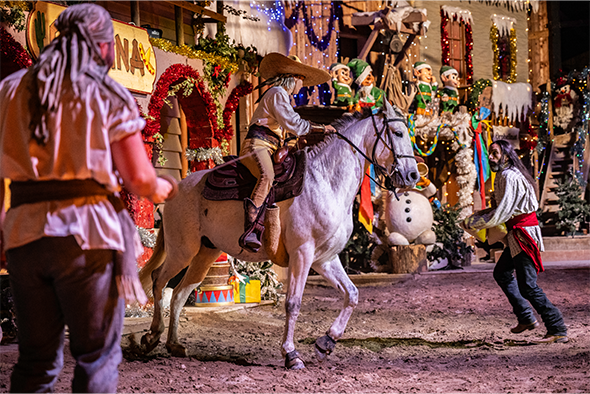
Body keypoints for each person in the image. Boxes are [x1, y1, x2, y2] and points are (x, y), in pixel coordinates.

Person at [0, 4, 174, 392]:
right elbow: (139, 180)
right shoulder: (105, 91)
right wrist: (166, 187)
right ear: (101, 46)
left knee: (35, 360)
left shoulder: (10, 90)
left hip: (25, 235)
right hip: (88, 234)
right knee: (97, 356)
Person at [462, 140, 568, 343]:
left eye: (495, 153)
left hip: (523, 236)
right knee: (501, 273)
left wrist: (475, 221)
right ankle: (526, 317)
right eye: (490, 153)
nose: (491, 157)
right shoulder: (503, 175)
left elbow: (502, 212)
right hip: (516, 234)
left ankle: (557, 328)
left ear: (507, 156)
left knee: (528, 286)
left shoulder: (509, 176)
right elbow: (503, 209)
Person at [239, 53, 333, 252]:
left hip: (271, 146)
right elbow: (294, 124)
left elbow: (289, 128)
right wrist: (322, 129)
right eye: (301, 78)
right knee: (267, 175)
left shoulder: (281, 97)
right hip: (257, 146)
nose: (301, 83)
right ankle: (251, 227)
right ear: (292, 77)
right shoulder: (277, 93)